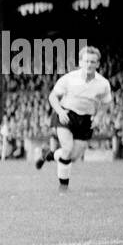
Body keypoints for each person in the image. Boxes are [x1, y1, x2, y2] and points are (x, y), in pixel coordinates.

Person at [43, 45, 112, 192]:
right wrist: (60, 112)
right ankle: (63, 188)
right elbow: (52, 97)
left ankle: (51, 155)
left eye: (93, 62)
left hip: (86, 120)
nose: (89, 64)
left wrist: (99, 117)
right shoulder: (69, 79)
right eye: (86, 61)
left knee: (72, 157)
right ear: (80, 62)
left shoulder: (103, 84)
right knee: (67, 149)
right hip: (67, 115)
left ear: (98, 64)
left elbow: (106, 103)